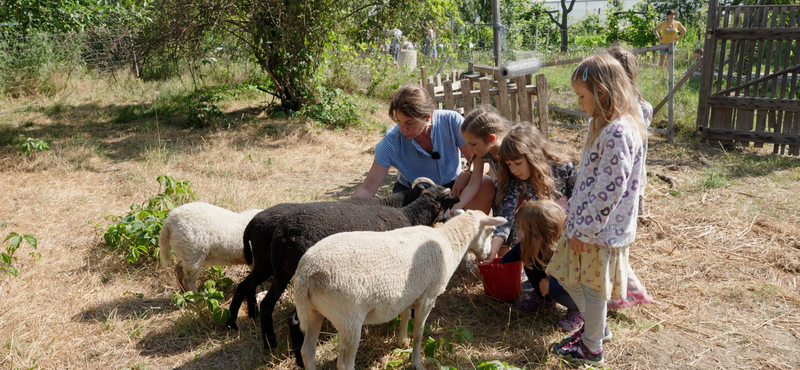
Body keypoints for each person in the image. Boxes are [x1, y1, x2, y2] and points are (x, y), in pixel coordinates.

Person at [547, 52, 648, 365]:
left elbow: (609, 191)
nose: (579, 103)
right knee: (564, 274)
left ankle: (592, 347)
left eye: (582, 96)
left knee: (591, 287)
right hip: (584, 223)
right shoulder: (603, 125)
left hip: (597, 231)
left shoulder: (618, 132)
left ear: (602, 93)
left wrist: (586, 230)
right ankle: (595, 326)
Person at [351, 85, 494, 214]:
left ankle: (471, 237)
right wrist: (345, 211)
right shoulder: (391, 141)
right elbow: (367, 188)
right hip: (413, 192)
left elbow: (483, 162)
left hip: (453, 187)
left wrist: (468, 174)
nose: (403, 129)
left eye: (409, 123)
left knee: (485, 182)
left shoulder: (452, 121)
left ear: (427, 117)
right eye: (398, 121)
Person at [604, 45, 656, 311]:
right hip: (632, 182)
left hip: (620, 185)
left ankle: (626, 292)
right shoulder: (642, 106)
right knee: (615, 242)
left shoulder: (623, 110)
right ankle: (629, 291)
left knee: (611, 241)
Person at [487, 124, 576, 262]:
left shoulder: (564, 168)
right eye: (509, 164)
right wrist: (493, 249)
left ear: (533, 156)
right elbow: (507, 217)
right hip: (538, 233)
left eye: (517, 163)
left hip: (566, 228)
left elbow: (577, 200)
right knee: (525, 218)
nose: (513, 170)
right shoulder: (515, 181)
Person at [499, 200, 583, 332]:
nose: (520, 231)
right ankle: (544, 301)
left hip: (575, 295)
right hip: (548, 287)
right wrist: (497, 265)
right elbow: (509, 259)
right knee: (530, 261)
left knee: (569, 294)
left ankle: (578, 312)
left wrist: (551, 286)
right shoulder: (529, 243)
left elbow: (574, 283)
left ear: (538, 233)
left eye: (523, 228)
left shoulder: (565, 252)